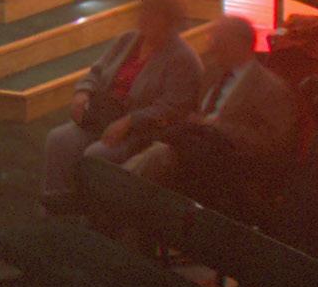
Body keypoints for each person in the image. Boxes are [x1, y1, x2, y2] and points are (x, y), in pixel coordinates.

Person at [39, 0, 205, 208]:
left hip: (139, 132)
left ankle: (93, 212)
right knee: (59, 139)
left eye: (152, 15)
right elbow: (97, 72)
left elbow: (172, 107)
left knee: (96, 155)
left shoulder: (183, 59)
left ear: (169, 21)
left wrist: (130, 121)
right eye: (143, 12)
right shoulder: (127, 40)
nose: (144, 19)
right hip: (103, 116)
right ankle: (57, 205)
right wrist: (82, 92)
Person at [127, 17, 299, 206]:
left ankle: (118, 194)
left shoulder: (269, 88)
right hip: (193, 145)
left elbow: (273, 143)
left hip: (229, 161)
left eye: (219, 41)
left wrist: (219, 127)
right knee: (151, 145)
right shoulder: (212, 73)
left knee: (159, 155)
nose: (212, 47)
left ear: (241, 44)